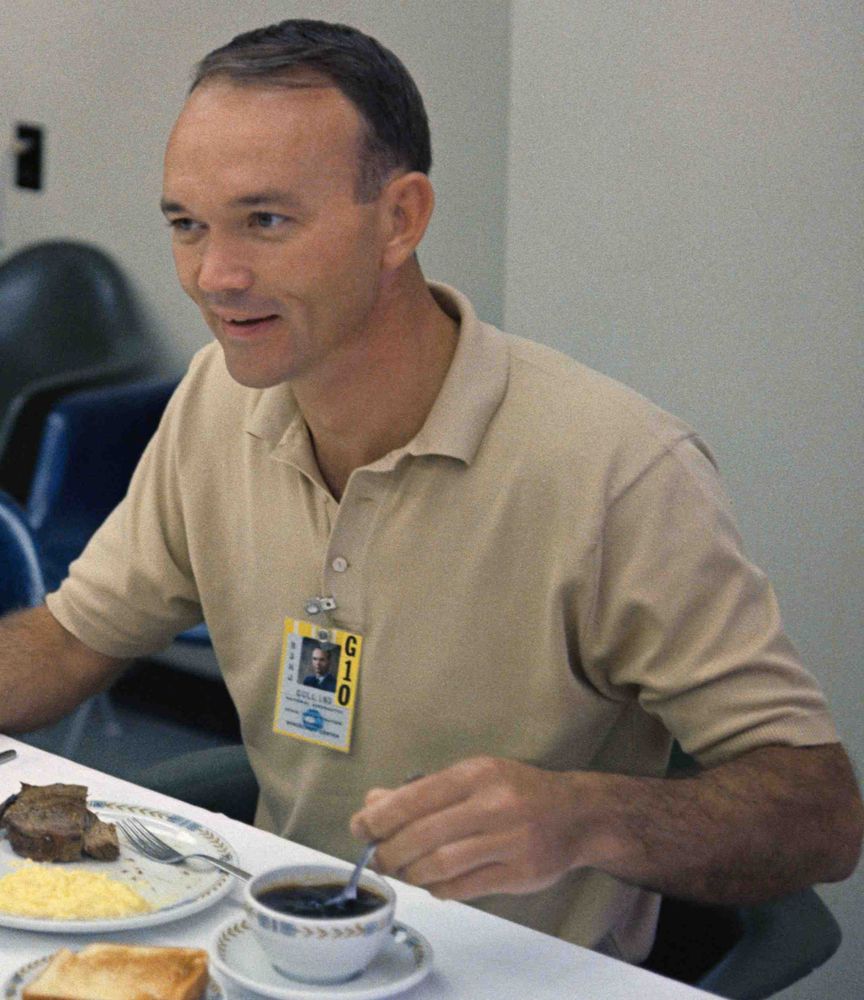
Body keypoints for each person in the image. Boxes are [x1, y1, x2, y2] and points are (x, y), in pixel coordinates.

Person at [0, 18, 860, 963]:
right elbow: (69, 642)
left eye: (267, 221)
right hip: (287, 954)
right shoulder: (217, 399)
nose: (215, 275)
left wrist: (585, 816)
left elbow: (818, 815)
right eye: (187, 225)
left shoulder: (616, 470)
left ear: (401, 219)